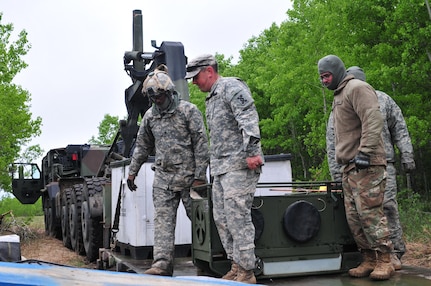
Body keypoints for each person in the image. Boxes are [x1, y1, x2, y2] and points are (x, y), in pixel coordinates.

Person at [326, 66, 416, 271]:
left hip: (381, 163)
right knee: (360, 214)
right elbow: (333, 141)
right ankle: (371, 256)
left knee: (387, 208)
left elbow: (399, 127)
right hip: (351, 167)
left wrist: (407, 154)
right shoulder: (340, 103)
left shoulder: (383, 99)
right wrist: (336, 174)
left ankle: (394, 254)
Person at [185, 54, 263, 284]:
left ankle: (248, 271)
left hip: (239, 164)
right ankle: (236, 265)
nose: (194, 82)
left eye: (196, 77)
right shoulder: (212, 97)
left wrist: (252, 152)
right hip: (221, 168)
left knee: (238, 217)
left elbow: (248, 119)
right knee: (221, 217)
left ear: (209, 71)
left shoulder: (231, 87)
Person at [127, 64, 209, 276]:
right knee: (163, 223)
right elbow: (142, 146)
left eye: (160, 97)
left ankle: (212, 262)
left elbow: (201, 144)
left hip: (190, 179)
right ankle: (162, 264)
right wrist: (132, 171)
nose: (158, 101)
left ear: (169, 92)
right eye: (154, 99)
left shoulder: (188, 111)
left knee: (204, 222)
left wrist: (200, 177)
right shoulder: (150, 117)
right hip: (163, 180)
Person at [318, 55, 394, 280]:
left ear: (337, 71)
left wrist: (365, 152)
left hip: (366, 165)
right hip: (349, 167)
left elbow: (373, 119)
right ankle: (369, 258)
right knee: (354, 217)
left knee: (370, 213)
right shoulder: (340, 94)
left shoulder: (357, 88)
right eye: (321, 77)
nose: (323, 80)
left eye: (326, 75)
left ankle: (385, 260)